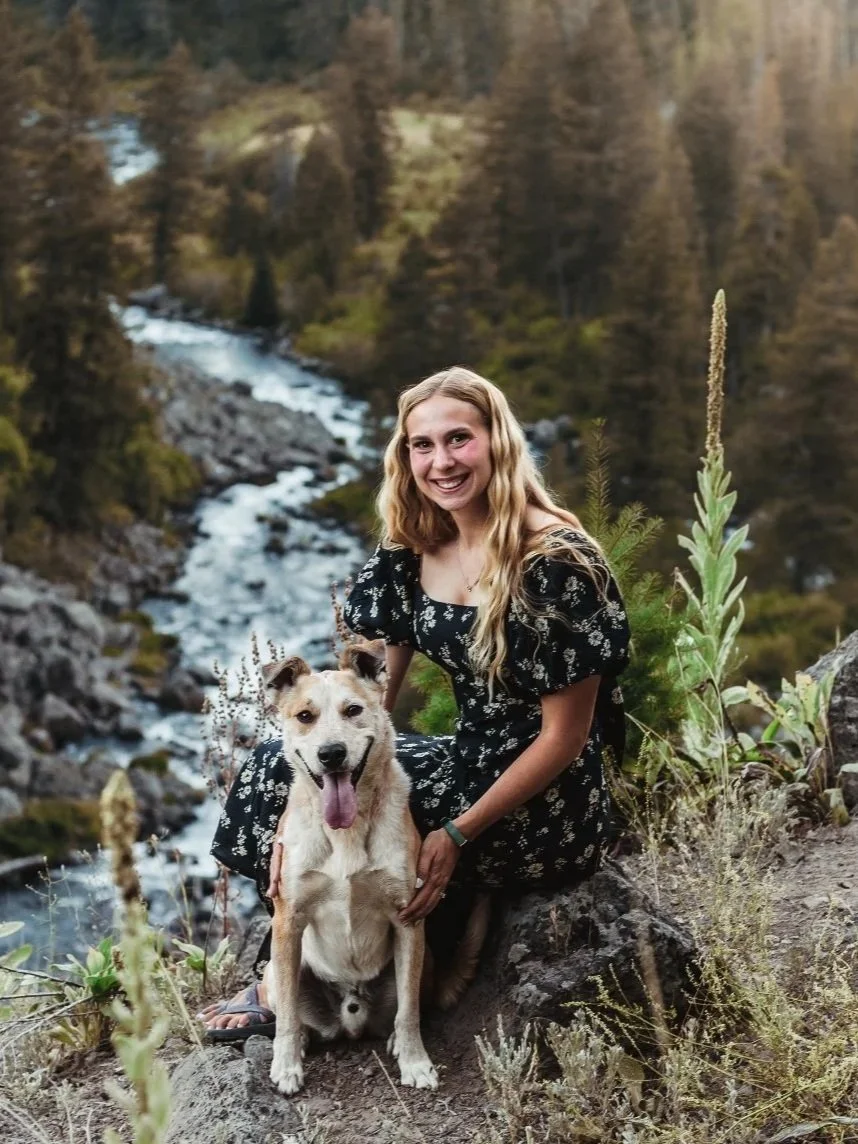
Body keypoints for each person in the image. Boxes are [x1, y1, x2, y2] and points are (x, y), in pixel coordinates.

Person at [199, 366, 630, 1037]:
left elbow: (565, 739)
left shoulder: (556, 560)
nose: (441, 461)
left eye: (459, 439)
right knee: (270, 774)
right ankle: (287, 975)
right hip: (468, 756)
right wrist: (306, 805)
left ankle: (327, 979)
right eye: (421, 445)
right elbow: (365, 702)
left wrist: (456, 833)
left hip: (552, 790)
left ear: (498, 442)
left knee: (397, 817)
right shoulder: (416, 546)